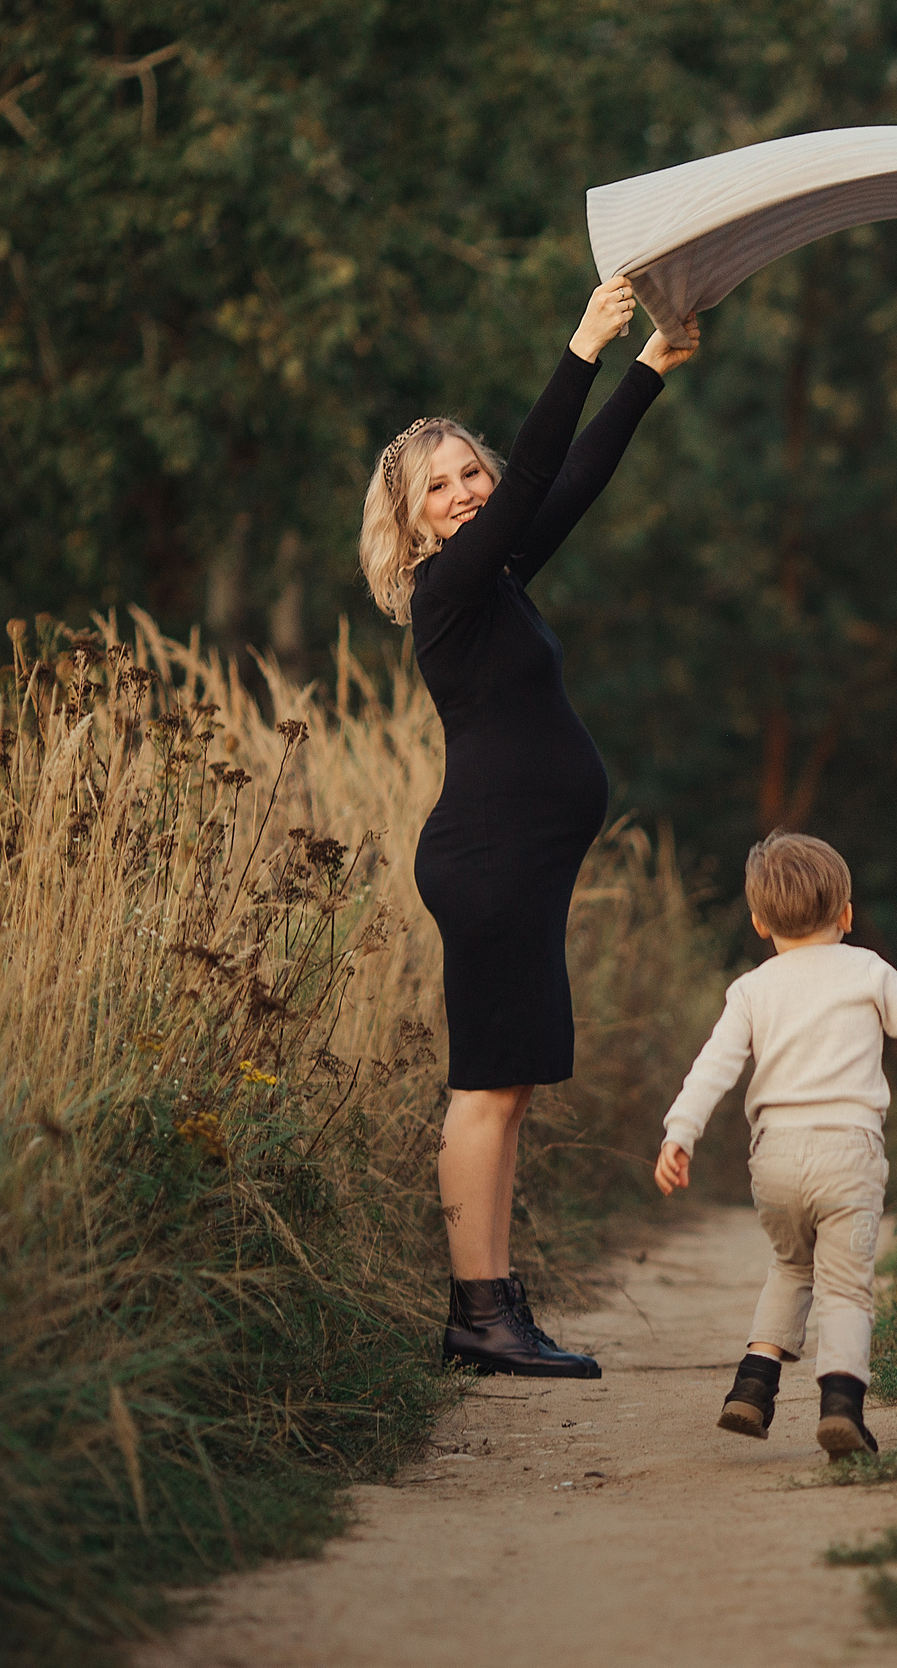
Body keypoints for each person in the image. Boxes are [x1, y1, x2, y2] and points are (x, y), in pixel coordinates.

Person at [359, 279, 702, 1379]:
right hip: (490, 864)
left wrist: (649, 367)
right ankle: (476, 1311)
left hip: (512, 866)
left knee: (504, 1088)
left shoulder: (496, 580)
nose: (465, 493)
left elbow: (571, 484)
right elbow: (541, 475)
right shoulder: (449, 586)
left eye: (472, 473)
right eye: (440, 486)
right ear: (412, 521)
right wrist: (584, 344)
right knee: (484, 1088)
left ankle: (494, 1306)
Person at [654, 833, 897, 1461]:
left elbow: (713, 1068)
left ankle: (753, 1385)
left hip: (774, 1160)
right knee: (846, 1287)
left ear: (758, 922)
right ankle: (841, 1408)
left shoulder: (751, 990)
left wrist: (679, 1133)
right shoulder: (869, 970)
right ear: (847, 915)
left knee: (791, 1267)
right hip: (847, 1156)